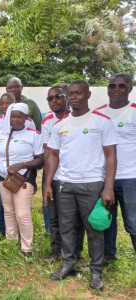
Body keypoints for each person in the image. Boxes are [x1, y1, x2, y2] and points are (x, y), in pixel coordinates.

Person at [44, 80, 117, 291]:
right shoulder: (60, 125)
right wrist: (48, 183)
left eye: (78, 93)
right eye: (71, 93)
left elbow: (111, 155)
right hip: (65, 184)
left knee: (94, 228)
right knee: (67, 227)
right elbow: (53, 157)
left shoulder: (101, 121)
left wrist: (108, 186)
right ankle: (69, 263)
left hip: (92, 184)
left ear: (88, 95)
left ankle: (96, 271)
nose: (74, 96)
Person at [0, 103, 43, 257]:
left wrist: (23, 164)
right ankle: (11, 241)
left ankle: (27, 247)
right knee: (9, 211)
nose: (16, 119)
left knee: (22, 214)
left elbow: (40, 160)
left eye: (20, 116)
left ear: (26, 118)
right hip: (3, 178)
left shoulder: (33, 135)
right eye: (13, 116)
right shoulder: (2, 134)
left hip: (23, 179)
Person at [94, 73, 136, 261]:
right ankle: (108, 257)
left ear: (130, 89)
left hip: (130, 177)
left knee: (133, 222)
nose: (117, 89)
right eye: (112, 86)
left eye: (122, 86)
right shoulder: (98, 113)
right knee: (106, 220)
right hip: (104, 177)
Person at [41, 86, 84, 263]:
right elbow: (47, 151)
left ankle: (76, 254)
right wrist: (47, 181)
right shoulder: (47, 121)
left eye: (58, 97)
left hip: (73, 175)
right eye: (50, 98)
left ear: (67, 98)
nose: (54, 101)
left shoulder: (77, 118)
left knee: (76, 218)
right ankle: (56, 250)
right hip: (53, 175)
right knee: (54, 216)